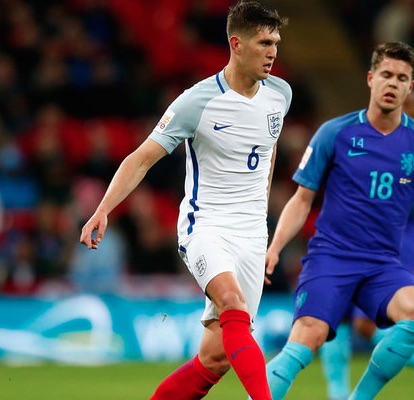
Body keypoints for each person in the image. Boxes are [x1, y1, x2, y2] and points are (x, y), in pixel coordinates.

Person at [79, 2, 289, 399]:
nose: (273, 51)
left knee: (214, 360)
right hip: (205, 226)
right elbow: (141, 157)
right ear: (236, 44)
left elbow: (268, 150)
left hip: (250, 234)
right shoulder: (197, 101)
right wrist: (102, 209)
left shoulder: (280, 94)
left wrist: (260, 218)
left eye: (276, 41)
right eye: (264, 42)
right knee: (231, 301)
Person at [259, 41, 414, 400]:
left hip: (382, 265)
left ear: (410, 87)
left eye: (402, 78)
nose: (393, 83)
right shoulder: (335, 133)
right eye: (387, 75)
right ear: (370, 78)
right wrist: (276, 246)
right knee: (308, 335)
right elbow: (302, 199)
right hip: (332, 257)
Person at [317, 87, 414, 400]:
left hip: (400, 242)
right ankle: (338, 394)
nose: (411, 107)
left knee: (366, 325)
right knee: (334, 318)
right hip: (354, 240)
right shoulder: (371, 138)